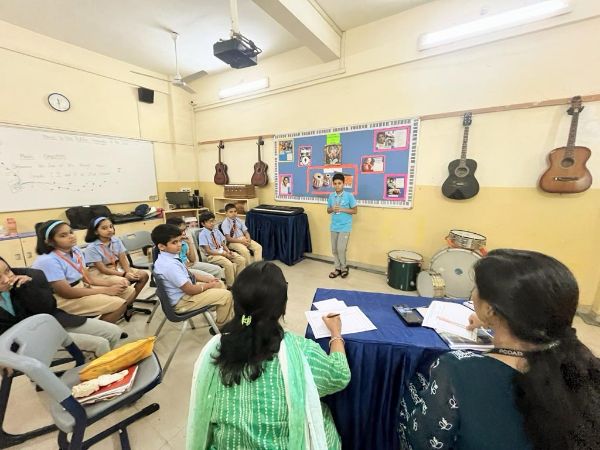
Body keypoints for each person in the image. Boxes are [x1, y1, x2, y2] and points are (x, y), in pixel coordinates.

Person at [399, 249, 600, 450]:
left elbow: (422, 443)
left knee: (413, 385)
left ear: (490, 309)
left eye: (476, 288)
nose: (473, 293)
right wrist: (494, 320)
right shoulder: (586, 367)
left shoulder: (456, 369)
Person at [187, 261, 351, 449]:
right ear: (282, 306)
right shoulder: (301, 352)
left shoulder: (214, 349)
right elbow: (339, 376)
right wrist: (336, 334)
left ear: (236, 302)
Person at [0, 256, 123, 359]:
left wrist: (29, 288)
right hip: (22, 341)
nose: (6, 279)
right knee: (100, 344)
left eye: (7, 271)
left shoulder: (27, 277)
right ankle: (95, 370)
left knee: (113, 332)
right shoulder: (47, 260)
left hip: (52, 322)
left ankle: (92, 364)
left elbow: (48, 308)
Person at [31, 220, 136, 323]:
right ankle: (102, 331)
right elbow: (67, 293)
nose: (71, 236)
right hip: (62, 299)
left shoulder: (76, 250)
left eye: (71, 232)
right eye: (63, 235)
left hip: (81, 286)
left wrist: (112, 284)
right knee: (119, 304)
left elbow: (88, 279)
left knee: (129, 291)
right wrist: (106, 290)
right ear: (49, 241)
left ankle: (104, 325)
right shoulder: (48, 260)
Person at [151, 224, 233, 327]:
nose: (179, 244)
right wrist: (208, 285)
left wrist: (207, 279)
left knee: (218, 283)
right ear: (161, 246)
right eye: (174, 242)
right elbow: (190, 290)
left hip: (183, 294)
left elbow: (188, 273)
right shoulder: (170, 265)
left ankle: (217, 307)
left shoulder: (169, 256)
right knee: (226, 296)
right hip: (182, 302)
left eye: (180, 240)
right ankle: (222, 327)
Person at [84, 216, 149, 300]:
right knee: (124, 282)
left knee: (143, 275)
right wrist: (124, 275)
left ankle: (129, 302)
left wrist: (128, 272)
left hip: (117, 267)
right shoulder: (92, 248)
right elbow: (103, 269)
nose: (109, 230)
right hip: (101, 272)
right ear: (96, 232)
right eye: (104, 228)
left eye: (111, 227)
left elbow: (123, 259)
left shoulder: (116, 240)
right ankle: (123, 304)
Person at [197, 212, 246, 287]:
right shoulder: (202, 234)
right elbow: (208, 251)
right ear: (203, 224)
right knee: (228, 264)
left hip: (222, 251)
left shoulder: (216, 231)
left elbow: (222, 244)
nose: (212, 223)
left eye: (213, 221)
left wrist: (228, 251)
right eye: (210, 222)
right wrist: (223, 254)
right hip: (212, 255)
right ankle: (231, 285)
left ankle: (238, 280)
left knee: (241, 260)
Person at [326, 173, 357, 279]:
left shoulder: (349, 196)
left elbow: (355, 210)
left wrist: (342, 209)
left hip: (345, 227)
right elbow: (328, 210)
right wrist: (332, 209)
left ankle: (344, 268)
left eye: (339, 183)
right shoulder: (331, 196)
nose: (337, 185)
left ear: (343, 184)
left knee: (341, 249)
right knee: (334, 249)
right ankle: (337, 268)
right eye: (335, 183)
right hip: (334, 226)